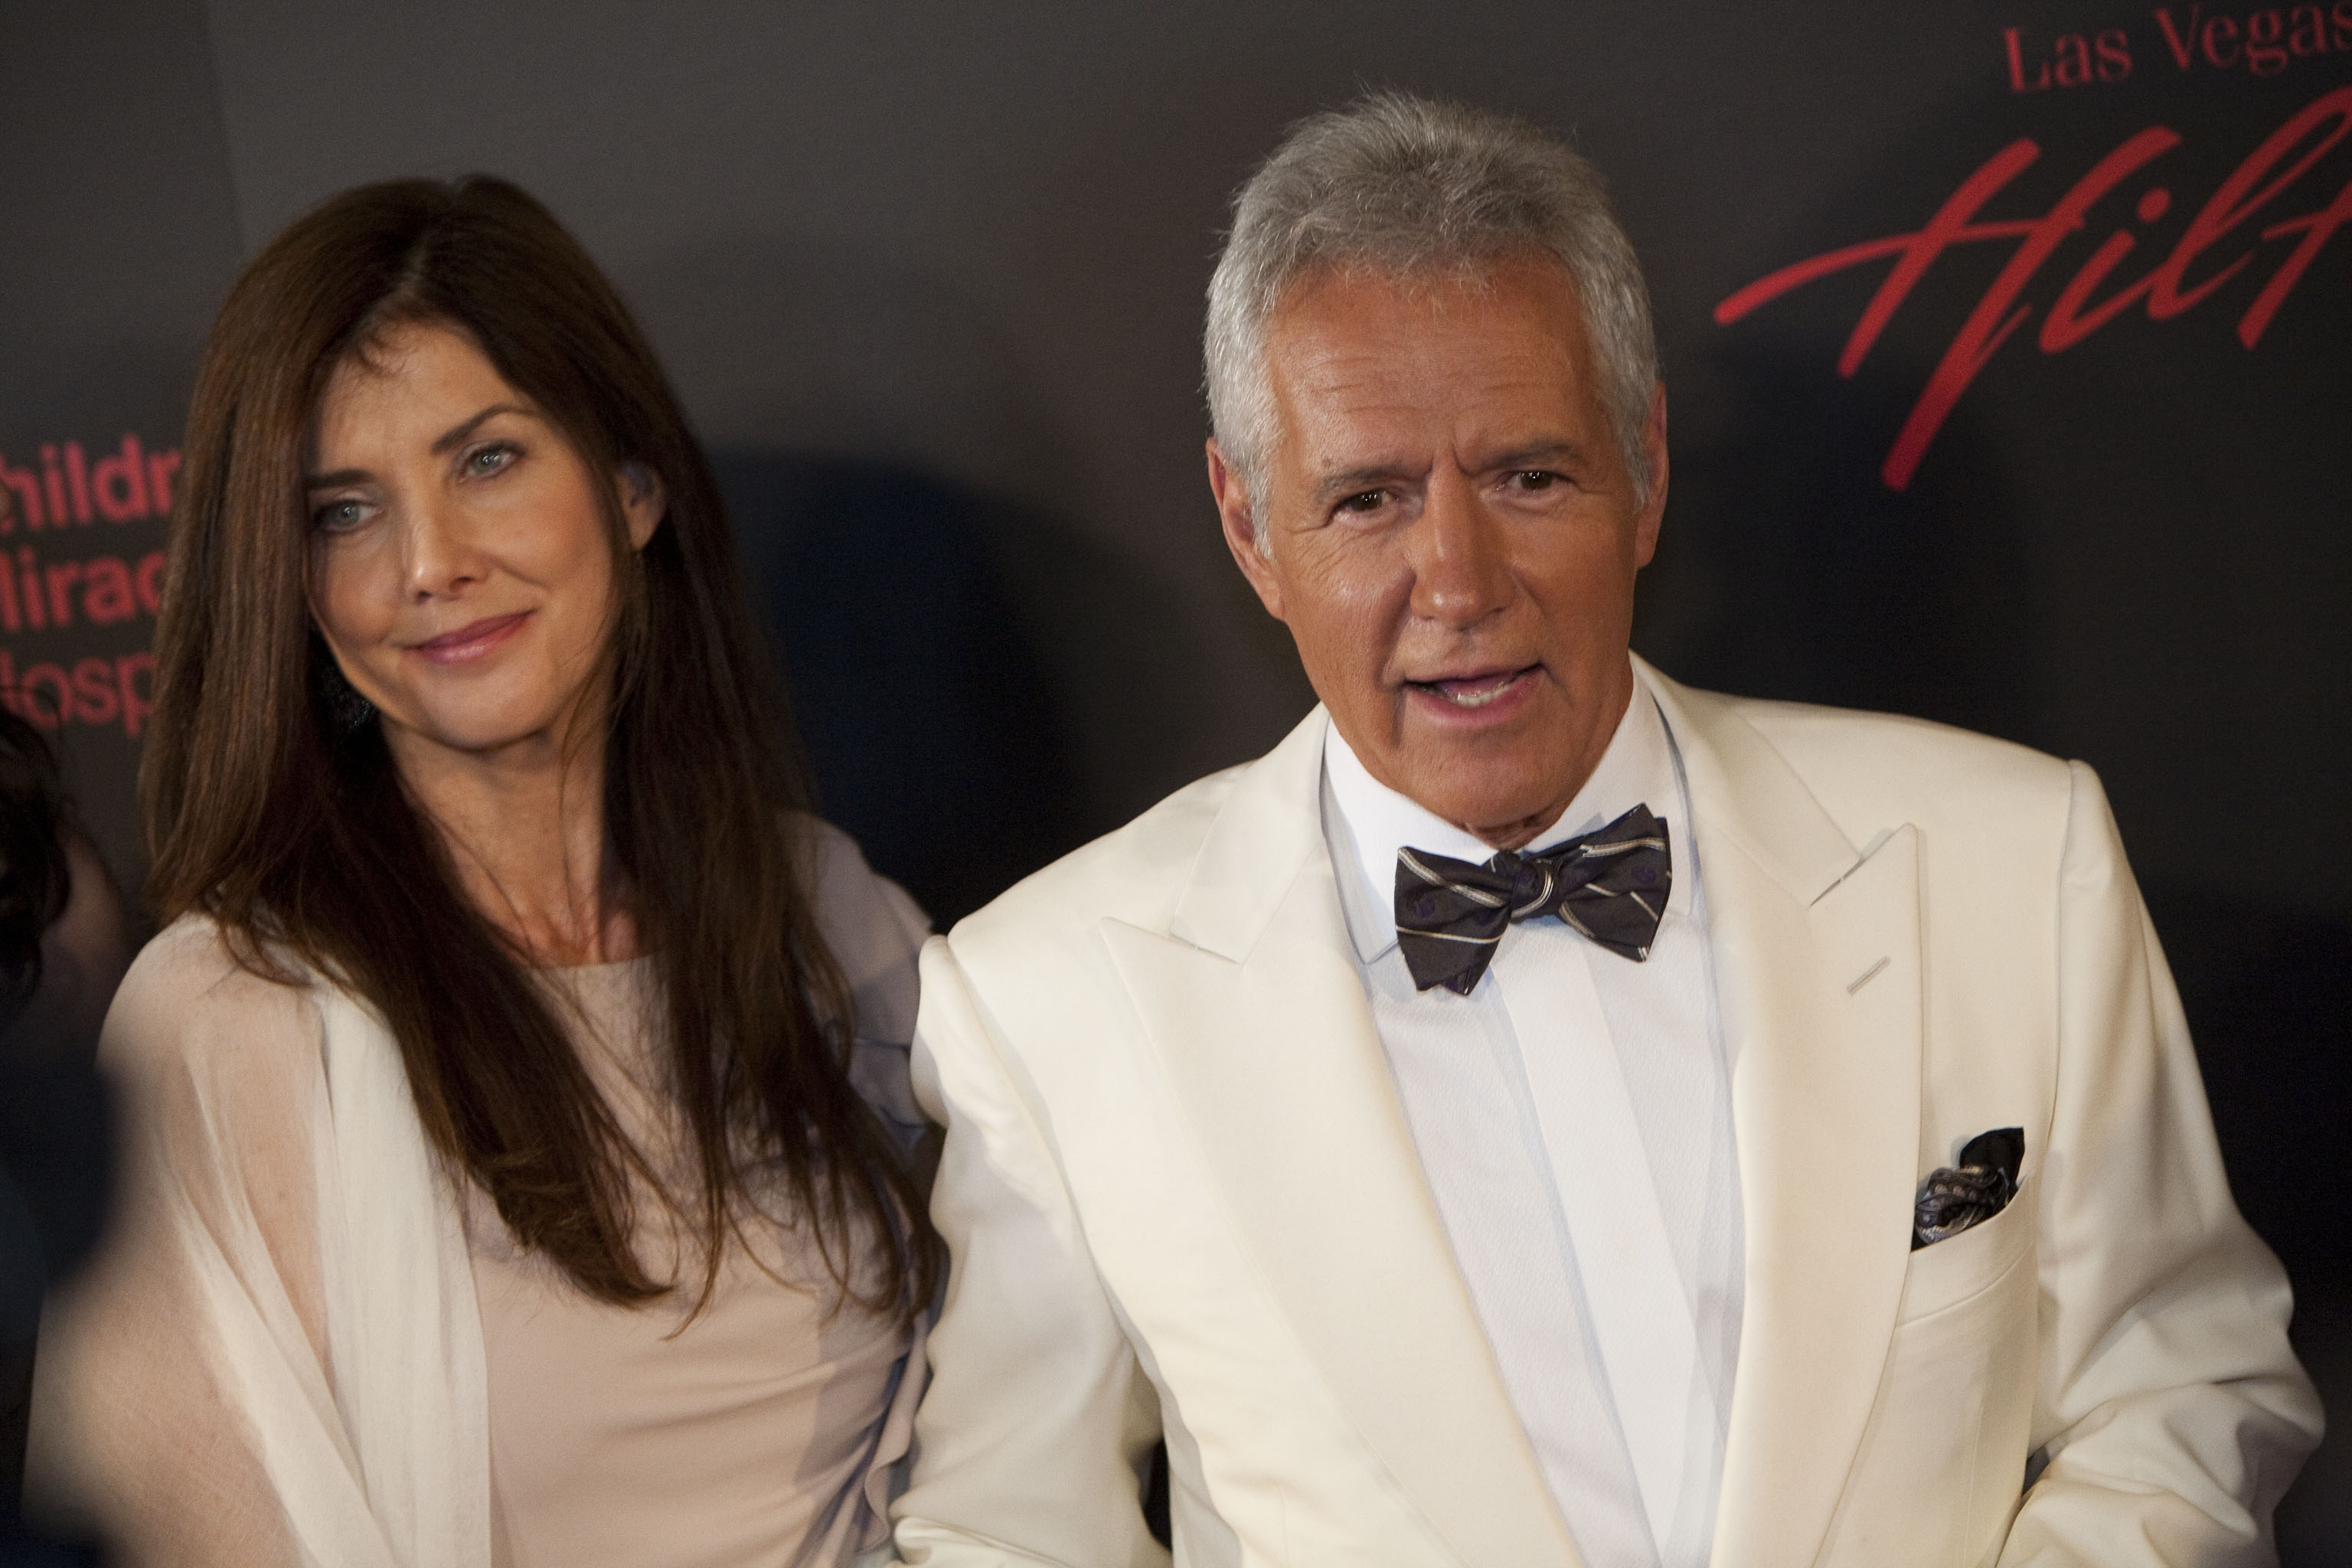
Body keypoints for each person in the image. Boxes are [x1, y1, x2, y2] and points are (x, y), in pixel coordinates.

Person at [890, 93, 2321, 1567]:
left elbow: (2183, 1379)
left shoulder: (2017, 861)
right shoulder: (1050, 1004)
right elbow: (1006, 1530)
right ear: (1250, 526)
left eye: (1527, 476)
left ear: (1642, 468)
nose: (1458, 582)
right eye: (1369, 499)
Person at [24, 177, 939, 1568]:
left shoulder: (822, 910)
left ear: (631, 489)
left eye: (488, 460)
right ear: (292, 584)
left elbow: (1013, 1403)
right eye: (344, 512)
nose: (429, 564)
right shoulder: (233, 1020)